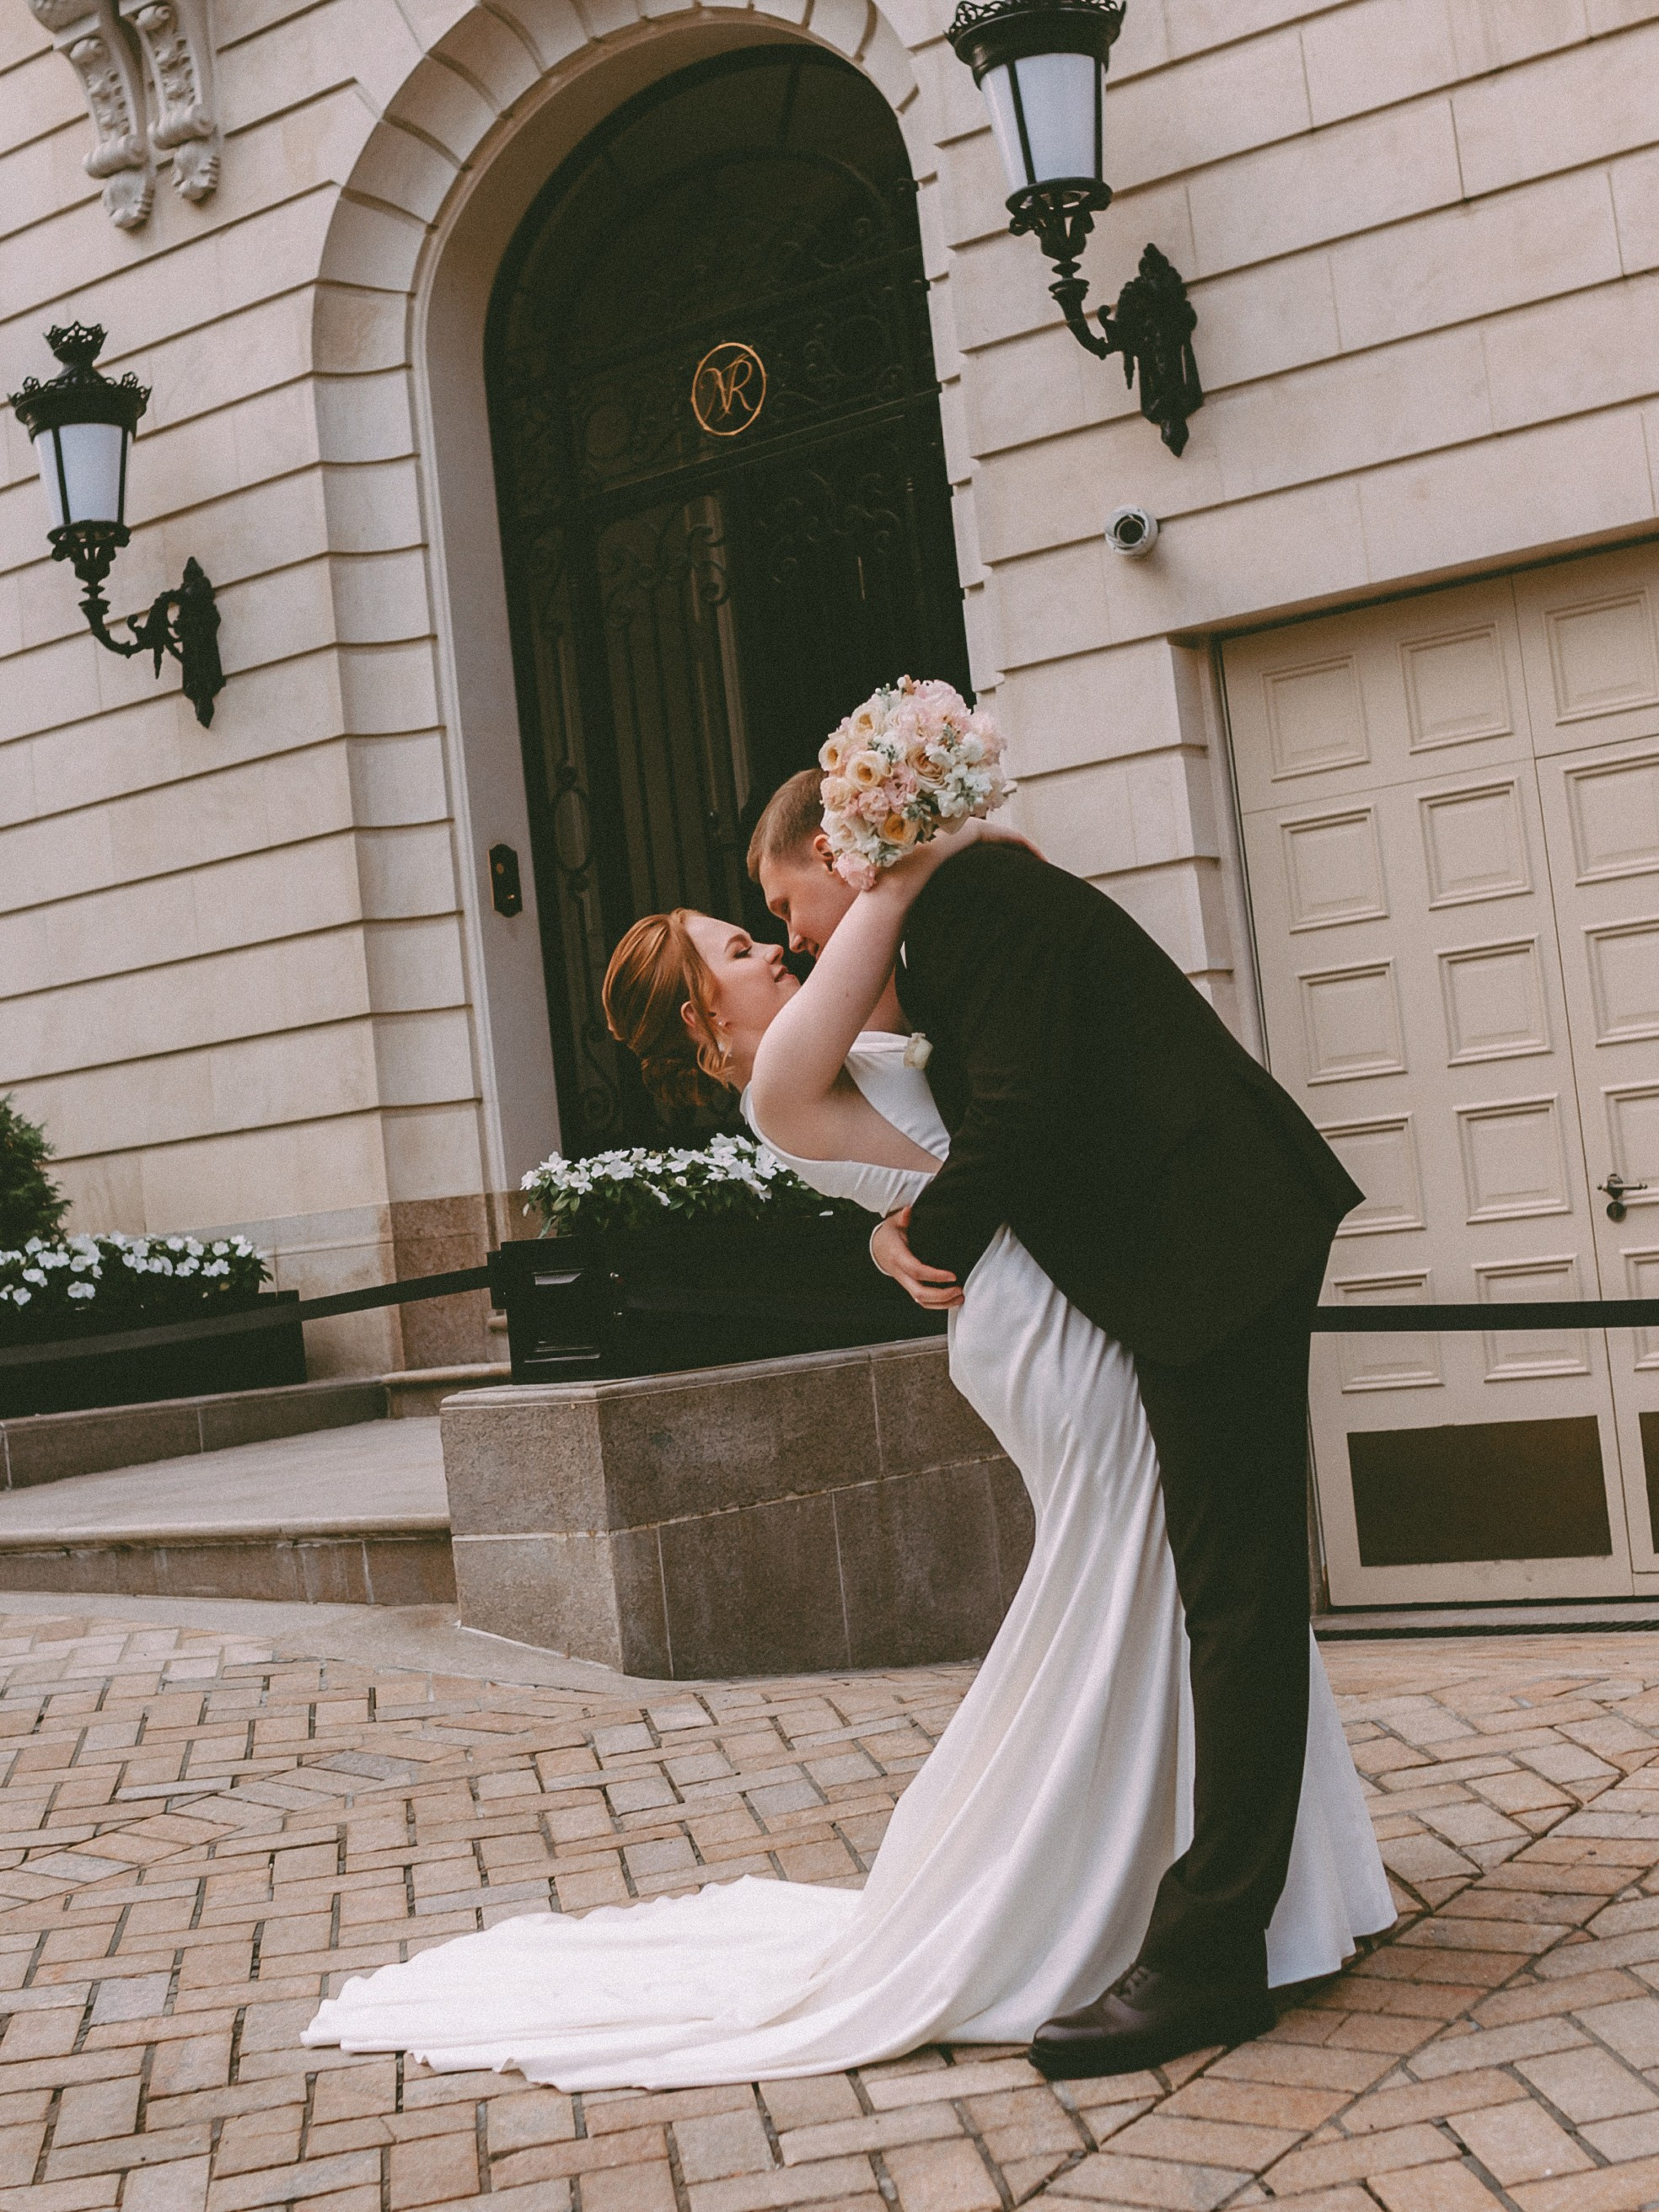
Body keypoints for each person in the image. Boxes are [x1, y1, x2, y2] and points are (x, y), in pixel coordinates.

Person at [300, 816, 1392, 2092]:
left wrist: (951, 863)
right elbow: (890, 950)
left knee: (1174, 1584)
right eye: (737, 943)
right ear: (705, 1025)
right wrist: (911, 842)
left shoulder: (843, 1039)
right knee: (1153, 1578)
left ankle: (1259, 1886)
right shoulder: (779, 1081)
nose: (770, 941)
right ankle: (1150, 1890)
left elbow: (973, 1049)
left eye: (764, 918)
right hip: (1043, 1326)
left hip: (1067, 1293)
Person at [748, 770, 1372, 2076]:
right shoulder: (957, 905)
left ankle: (1209, 1962)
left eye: (783, 903)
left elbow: (1025, 1109)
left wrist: (921, 1233)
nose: (795, 936)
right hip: (1191, 1258)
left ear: (831, 851)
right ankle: (1241, 1913)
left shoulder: (980, 903)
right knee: (1233, 1597)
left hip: (1213, 1250)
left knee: (1238, 1600)